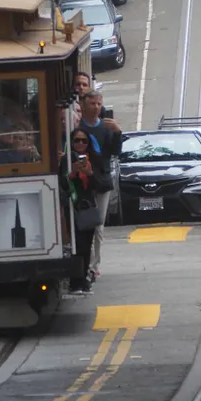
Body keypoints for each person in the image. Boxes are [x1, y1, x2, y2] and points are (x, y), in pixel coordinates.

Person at [78, 90, 121, 279]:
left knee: (98, 225)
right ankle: (85, 262)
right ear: (84, 105)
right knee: (85, 223)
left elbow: (115, 151)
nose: (96, 107)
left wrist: (117, 132)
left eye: (98, 104)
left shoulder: (106, 127)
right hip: (82, 180)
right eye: (92, 103)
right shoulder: (78, 127)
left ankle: (94, 265)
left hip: (102, 181)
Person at [61, 129, 102, 293]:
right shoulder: (66, 159)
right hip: (73, 205)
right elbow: (62, 183)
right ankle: (75, 282)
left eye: (84, 141)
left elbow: (100, 184)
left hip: (88, 205)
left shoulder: (93, 159)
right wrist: (72, 173)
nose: (80, 144)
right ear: (71, 142)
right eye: (77, 140)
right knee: (76, 244)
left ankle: (84, 278)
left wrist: (89, 173)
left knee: (86, 244)